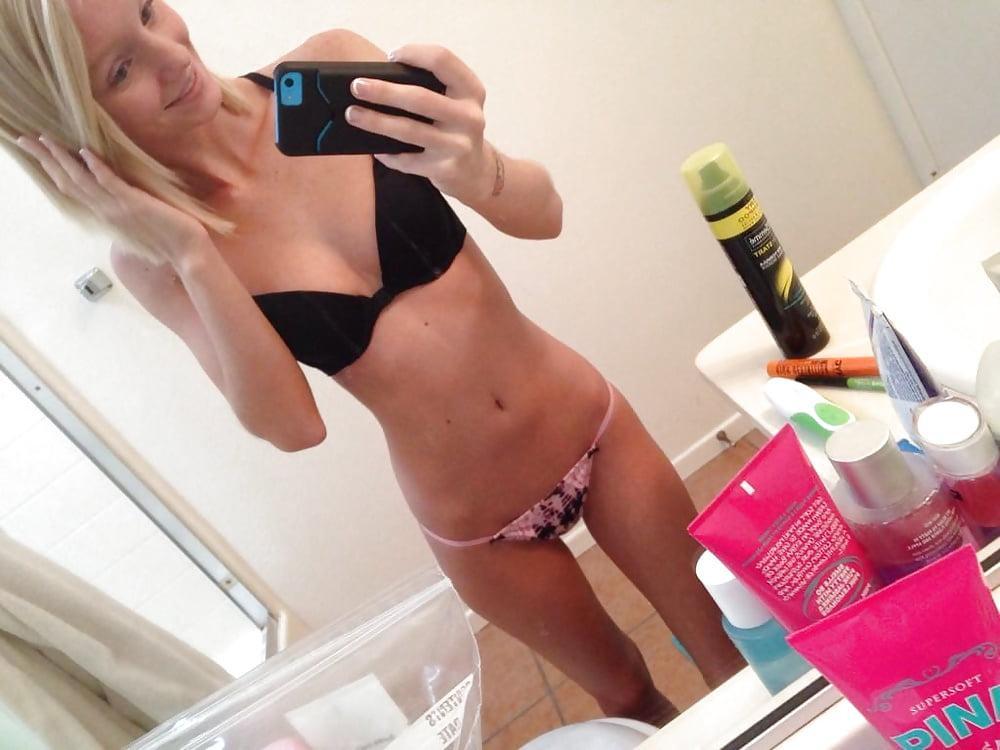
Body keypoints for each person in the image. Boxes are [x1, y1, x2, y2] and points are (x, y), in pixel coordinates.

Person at [2, 0, 744, 724]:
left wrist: (473, 162)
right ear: (71, 127)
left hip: (590, 430)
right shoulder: (156, 260)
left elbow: (544, 215)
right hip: (482, 532)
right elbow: (293, 427)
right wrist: (195, 254)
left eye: (147, 11)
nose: (171, 57)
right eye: (121, 70)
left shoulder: (333, 71)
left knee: (734, 650)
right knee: (628, 701)